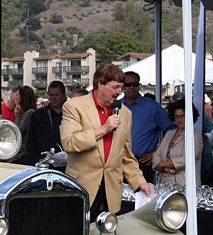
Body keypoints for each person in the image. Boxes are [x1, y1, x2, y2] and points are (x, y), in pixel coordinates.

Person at [60, 63, 151, 220]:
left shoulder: (125, 113)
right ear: (99, 84)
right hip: (82, 189)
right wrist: (104, 129)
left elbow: (127, 156)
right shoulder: (74, 106)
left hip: (111, 192)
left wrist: (140, 182)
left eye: (121, 87)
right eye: (115, 87)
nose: (119, 92)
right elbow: (69, 142)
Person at [121, 71, 174, 182]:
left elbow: (172, 131)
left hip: (142, 162)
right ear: (122, 86)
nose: (132, 87)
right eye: (128, 84)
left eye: (135, 84)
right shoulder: (116, 106)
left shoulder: (152, 107)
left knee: (143, 197)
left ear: (139, 86)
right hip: (119, 161)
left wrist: (157, 151)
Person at [152, 99, 204, 186]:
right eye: (176, 116)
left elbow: (188, 159)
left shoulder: (195, 136)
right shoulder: (169, 133)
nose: (179, 119)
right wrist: (159, 165)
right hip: (163, 183)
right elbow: (157, 154)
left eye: (182, 116)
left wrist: (163, 165)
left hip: (184, 184)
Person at [20, 80, 67, 165]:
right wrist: (34, 160)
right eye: (51, 95)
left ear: (64, 95)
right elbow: (30, 140)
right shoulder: (38, 115)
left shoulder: (71, 113)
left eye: (57, 95)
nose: (54, 98)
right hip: (42, 161)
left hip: (66, 162)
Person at [12, 85, 36, 162]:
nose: (14, 97)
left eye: (17, 95)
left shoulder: (29, 113)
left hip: (23, 154)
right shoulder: (24, 112)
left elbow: (18, 132)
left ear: (24, 97)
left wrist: (17, 116)